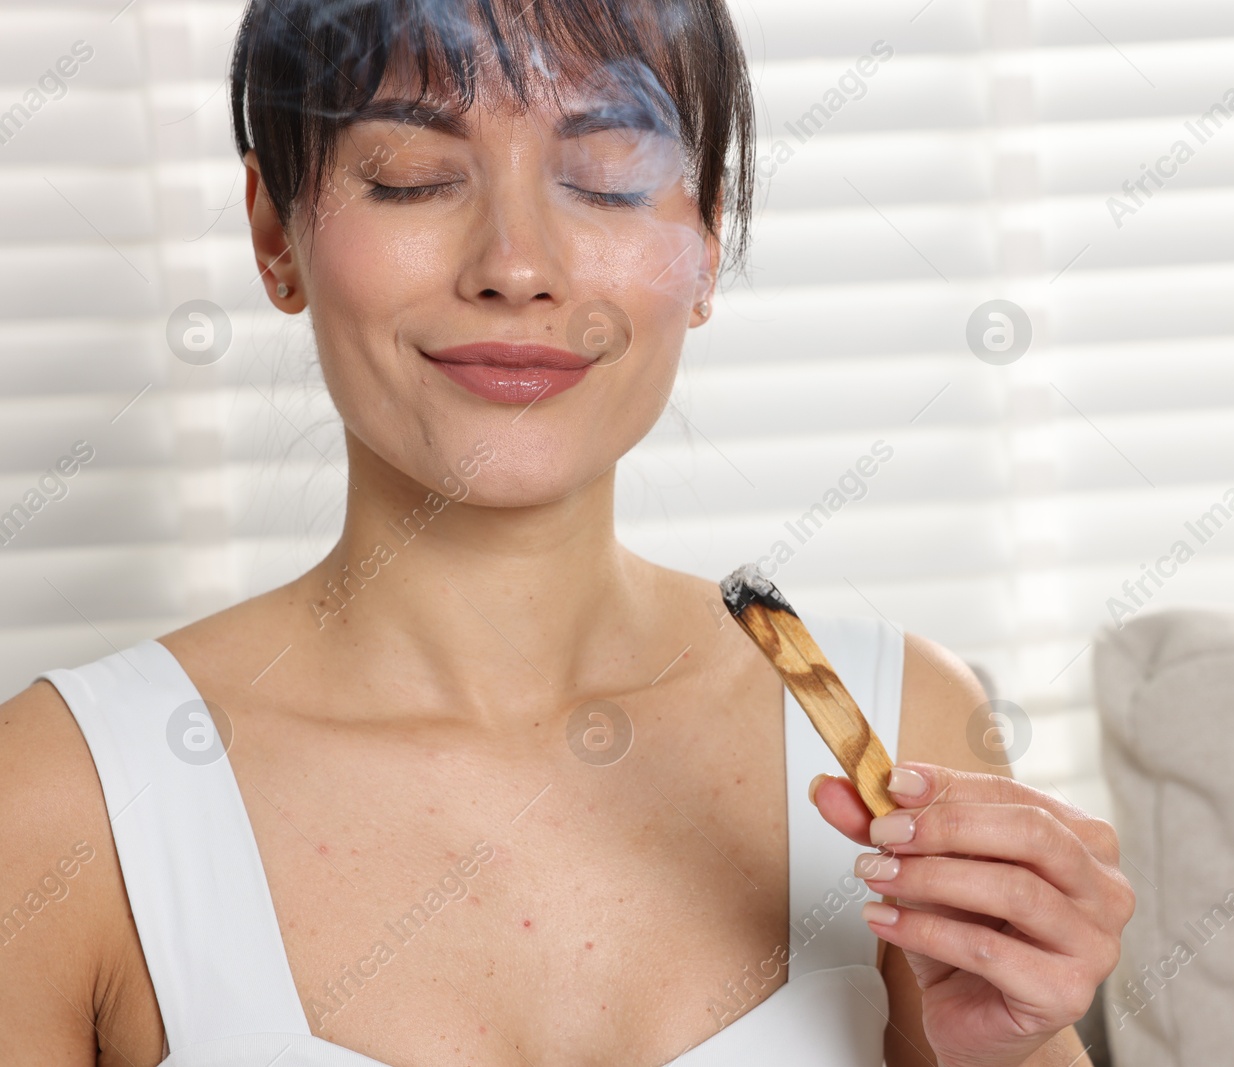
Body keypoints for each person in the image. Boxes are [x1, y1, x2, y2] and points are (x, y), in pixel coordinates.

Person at [0, 1, 1132, 1064]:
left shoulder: (896, 728)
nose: (517, 268)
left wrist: (1014, 1048)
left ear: (705, 244)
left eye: (605, 179)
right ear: (274, 235)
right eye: (411, 178)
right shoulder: (61, 798)